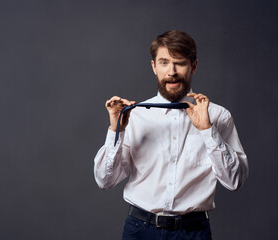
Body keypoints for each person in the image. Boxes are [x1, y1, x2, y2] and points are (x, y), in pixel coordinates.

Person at [93, 30, 249, 240]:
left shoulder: (218, 116)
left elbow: (234, 181)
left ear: (193, 66)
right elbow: (104, 181)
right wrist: (116, 131)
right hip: (140, 231)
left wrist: (207, 131)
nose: (172, 71)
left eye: (180, 63)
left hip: (193, 232)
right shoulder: (135, 116)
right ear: (154, 67)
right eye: (164, 62)